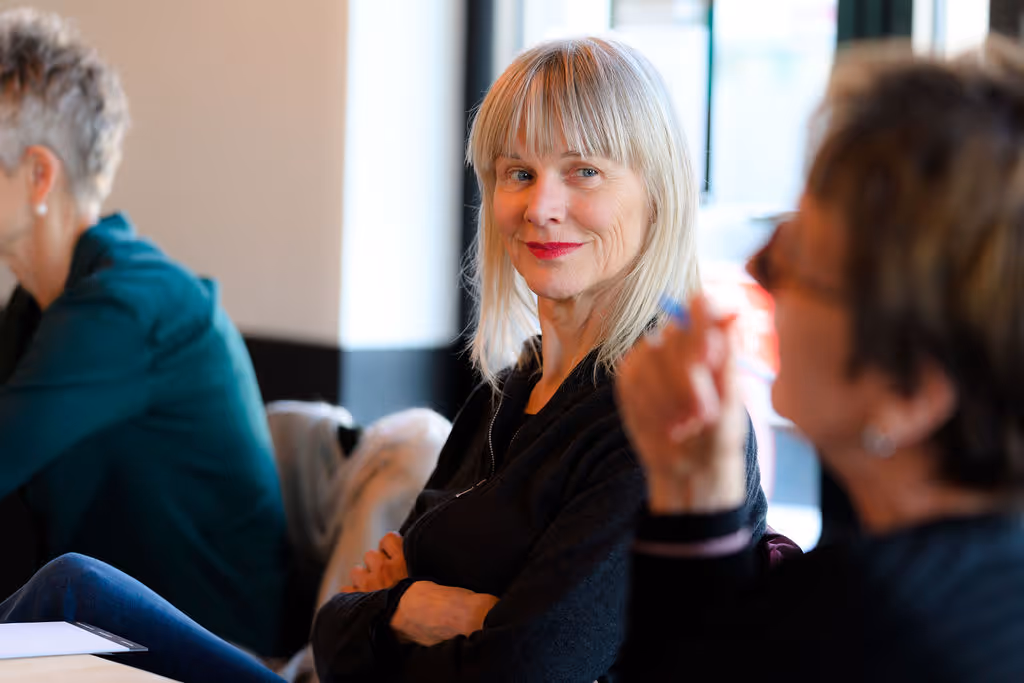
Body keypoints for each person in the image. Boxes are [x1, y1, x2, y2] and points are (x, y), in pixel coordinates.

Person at [0, 36, 767, 683]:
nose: (541, 206)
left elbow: (526, 665)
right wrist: (418, 610)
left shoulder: (658, 418)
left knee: (69, 600)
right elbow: (338, 628)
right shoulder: (505, 395)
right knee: (61, 611)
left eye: (584, 171)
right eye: (518, 173)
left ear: (657, 193)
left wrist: (414, 607)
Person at [615, 37, 1024, 682]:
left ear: (911, 388)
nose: (754, 270)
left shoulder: (857, 626)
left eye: (792, 259)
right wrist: (693, 490)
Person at [0, 9, 290, 656]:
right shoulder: (37, 307)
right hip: (101, 642)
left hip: (212, 652)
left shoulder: (128, 306)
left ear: (39, 175)